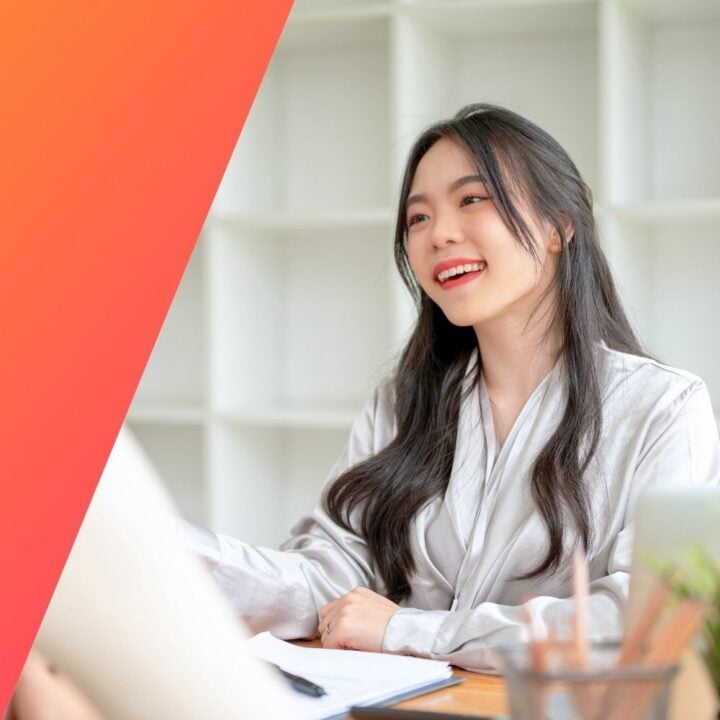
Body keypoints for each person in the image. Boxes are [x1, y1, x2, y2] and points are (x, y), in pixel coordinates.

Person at [188, 104, 720, 671]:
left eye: (472, 199)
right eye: (417, 218)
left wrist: (410, 630)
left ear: (560, 224)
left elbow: (650, 623)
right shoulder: (403, 403)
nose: (439, 234)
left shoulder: (662, 408)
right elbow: (327, 579)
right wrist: (168, 550)